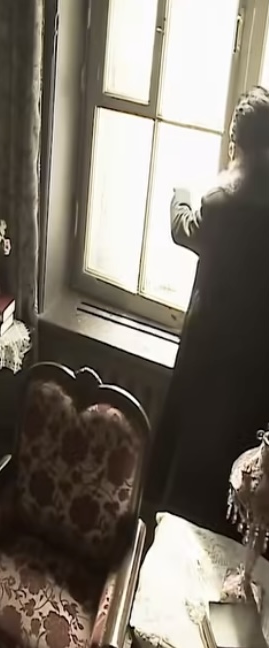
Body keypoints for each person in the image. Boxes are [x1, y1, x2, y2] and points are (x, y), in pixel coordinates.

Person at [151, 86, 269, 535]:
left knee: (189, 478)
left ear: (236, 142)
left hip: (208, 366)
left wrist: (180, 194)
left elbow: (185, 228)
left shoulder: (222, 205)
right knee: (236, 490)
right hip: (256, 378)